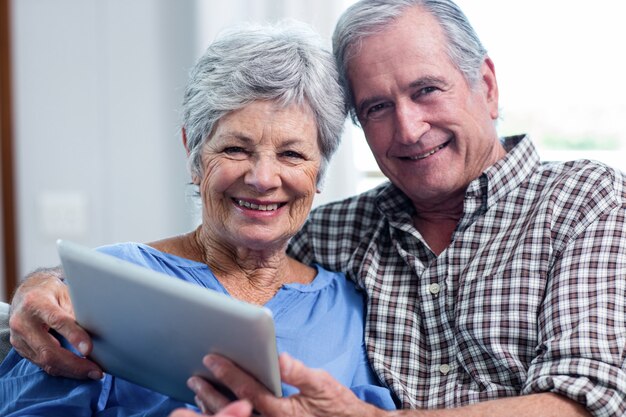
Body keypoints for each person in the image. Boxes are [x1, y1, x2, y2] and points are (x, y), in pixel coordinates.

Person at [7, 0, 626, 416]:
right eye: (378, 107)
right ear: (193, 152)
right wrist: (45, 286)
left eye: (426, 90)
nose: (408, 129)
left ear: (486, 87)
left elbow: (584, 400)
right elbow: (200, 257)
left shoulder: (582, 201)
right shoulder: (346, 233)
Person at [0, 21, 397, 416]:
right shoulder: (108, 285)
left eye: (292, 155)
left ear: (319, 172)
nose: (262, 179)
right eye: (236, 148)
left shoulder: (349, 309)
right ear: (194, 152)